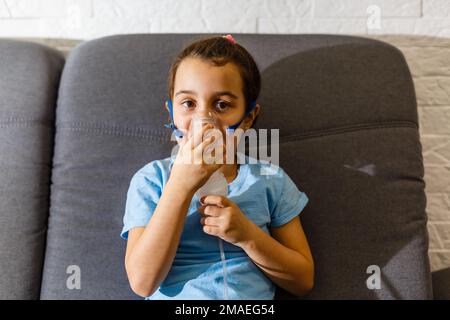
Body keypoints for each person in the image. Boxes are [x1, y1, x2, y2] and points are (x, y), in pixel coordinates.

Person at [121, 34, 314, 300]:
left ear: (248, 119)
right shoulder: (152, 180)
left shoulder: (269, 179)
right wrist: (179, 185)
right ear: (171, 112)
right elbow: (142, 283)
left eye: (221, 105)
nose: (204, 119)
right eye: (188, 103)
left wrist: (248, 236)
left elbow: (303, 280)